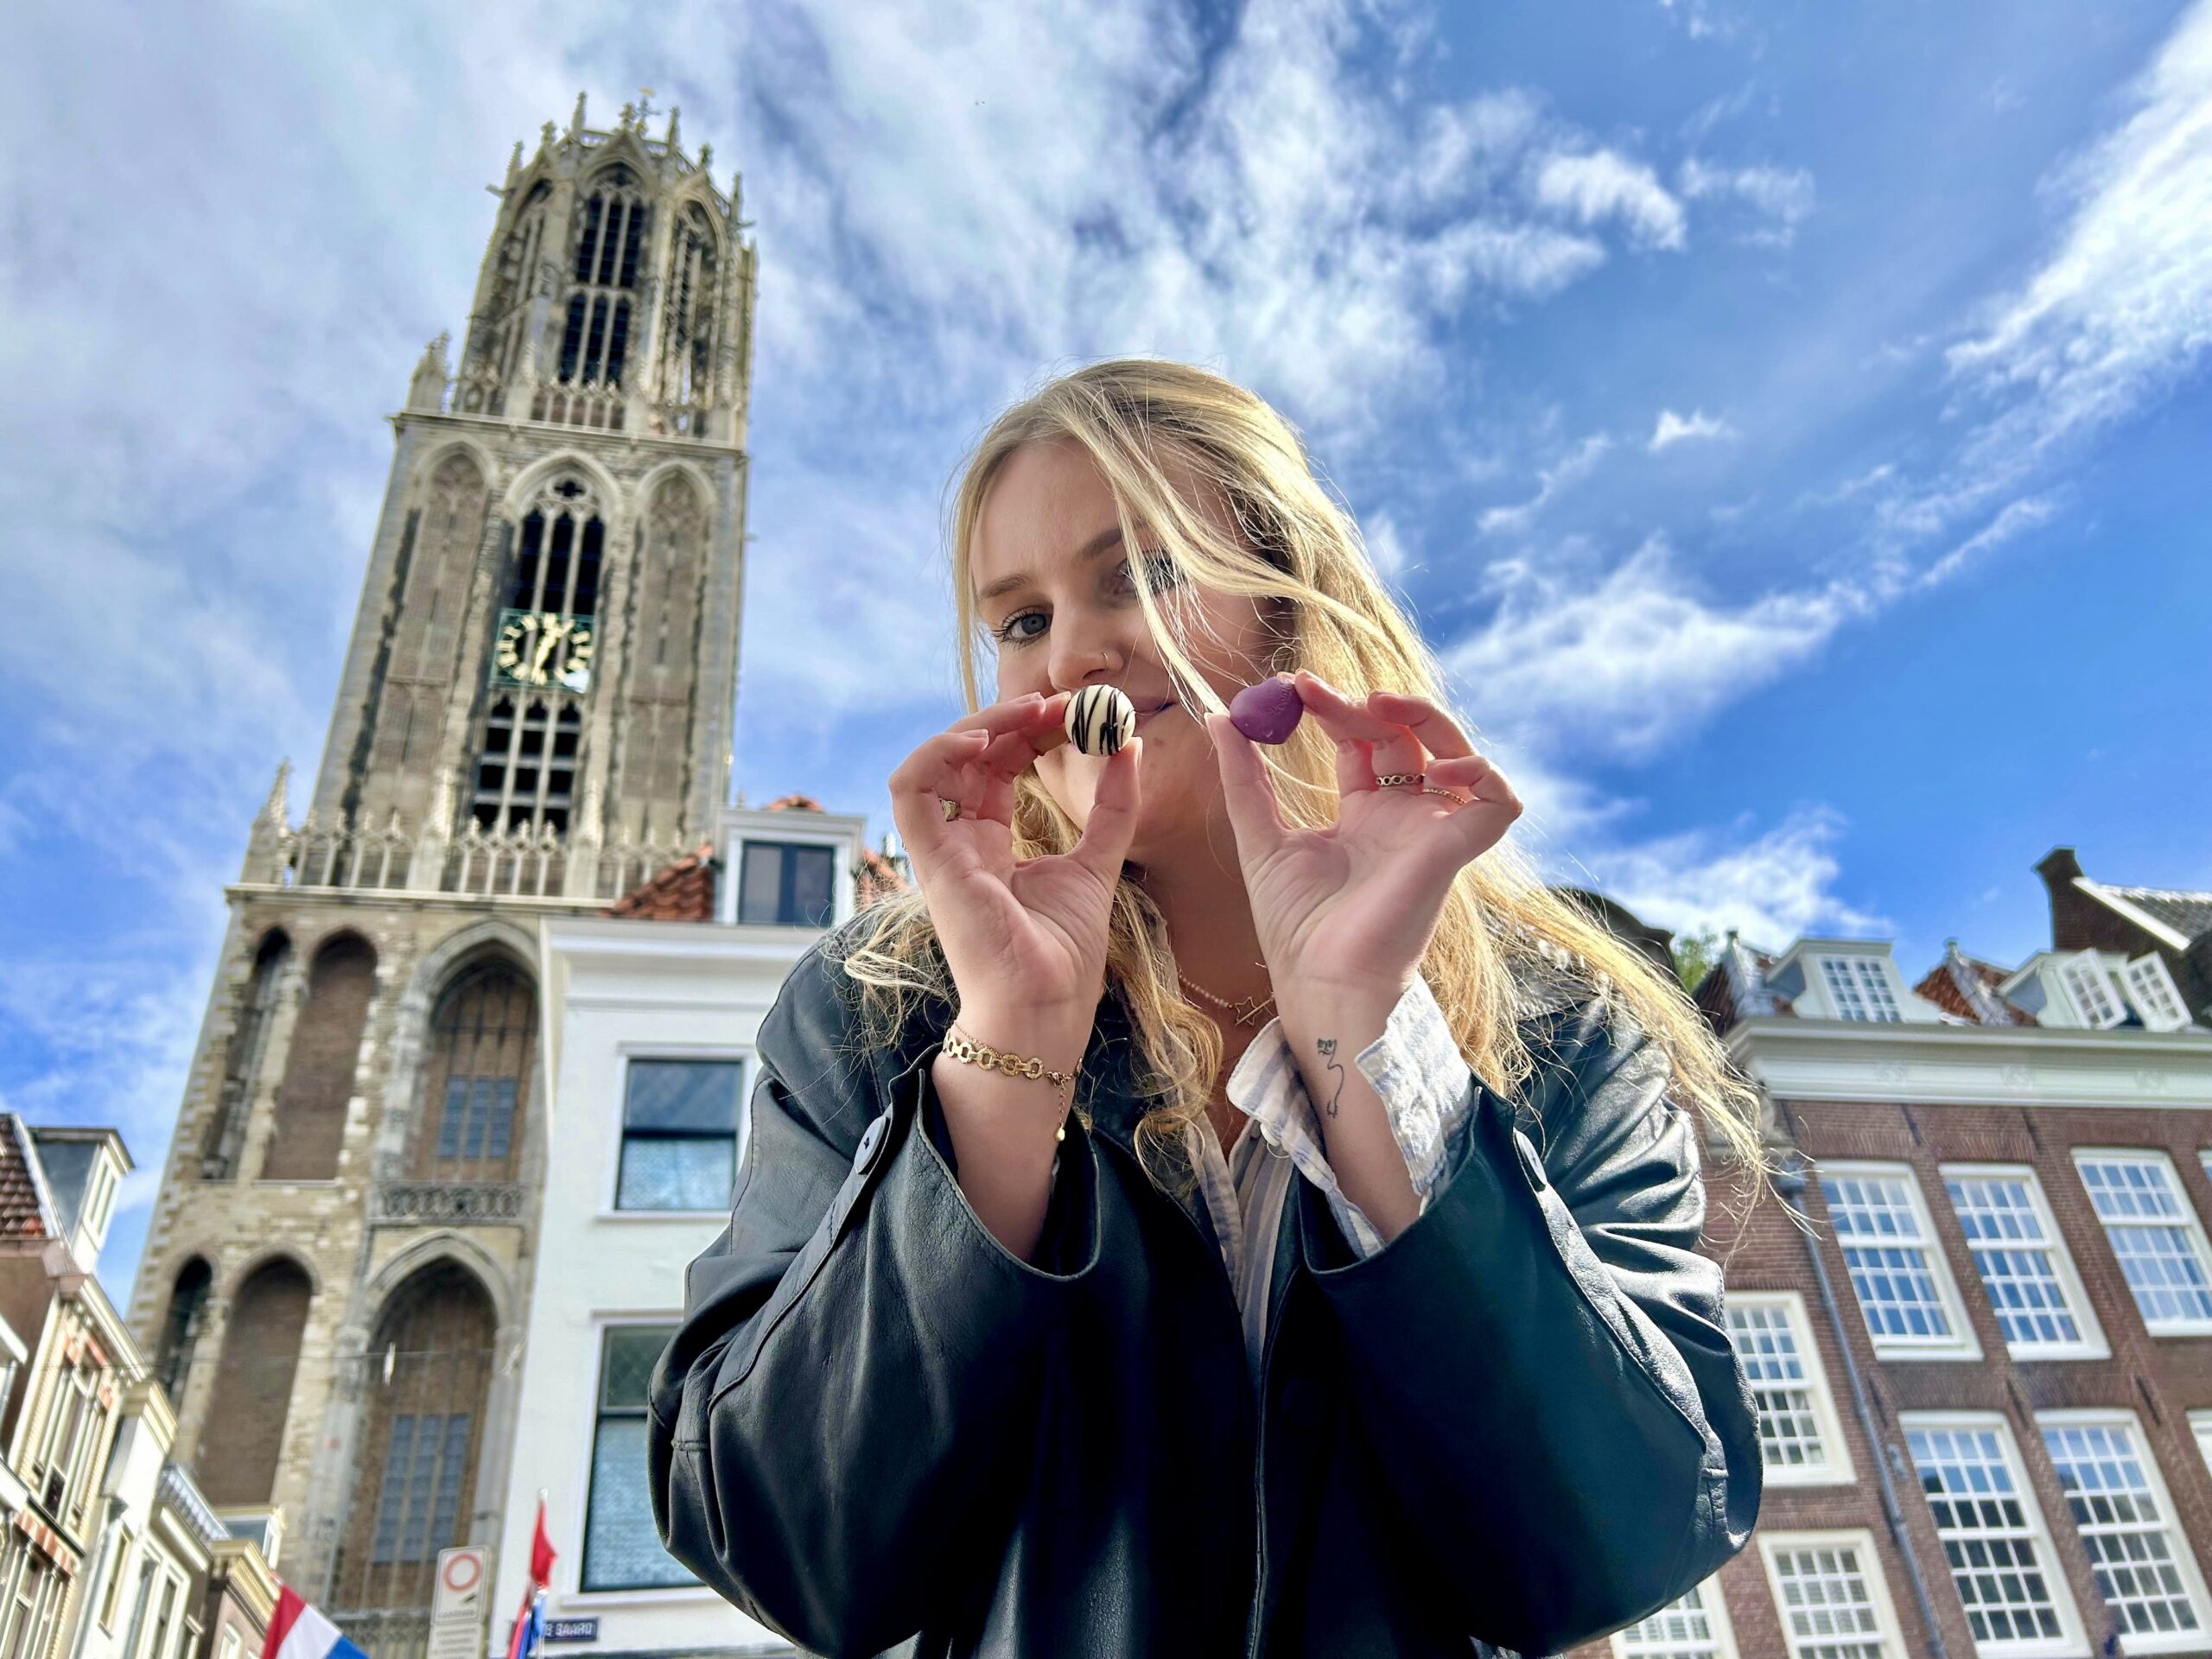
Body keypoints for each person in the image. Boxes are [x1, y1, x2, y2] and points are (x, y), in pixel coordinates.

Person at [647, 359, 1764, 1658]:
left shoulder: (1565, 1032)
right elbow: (786, 1550)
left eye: (1142, 574)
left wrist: (1364, 1044)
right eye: (1019, 619)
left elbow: (1623, 1539)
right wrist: (1006, 1051)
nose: (1069, 654)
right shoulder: (869, 1014)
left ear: (1294, 610)